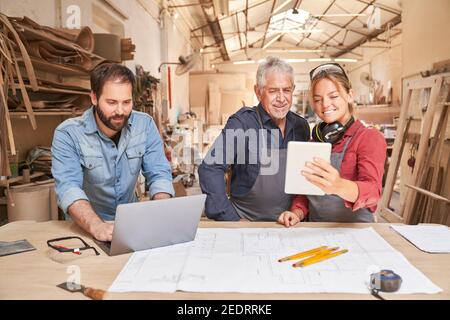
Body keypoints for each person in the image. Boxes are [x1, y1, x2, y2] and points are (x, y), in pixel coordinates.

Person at [51, 63, 174, 241]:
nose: (120, 111)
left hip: (132, 225)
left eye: (126, 102)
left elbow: (159, 174)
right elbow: (68, 188)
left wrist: (162, 210)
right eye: (111, 102)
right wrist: (97, 226)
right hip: (86, 228)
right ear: (94, 97)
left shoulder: (145, 125)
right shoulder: (67, 134)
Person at [198, 57, 310, 221]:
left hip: (290, 222)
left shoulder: (301, 126)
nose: (281, 98)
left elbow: (304, 180)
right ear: (258, 92)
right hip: (246, 222)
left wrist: (299, 213)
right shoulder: (242, 123)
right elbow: (210, 169)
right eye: (273, 91)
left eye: (286, 90)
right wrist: (230, 217)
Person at [278, 63, 386, 226]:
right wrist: (296, 213)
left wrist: (338, 186)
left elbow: (373, 192)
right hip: (316, 230)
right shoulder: (314, 142)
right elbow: (305, 194)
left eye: (333, 96)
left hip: (355, 231)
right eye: (317, 99)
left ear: (350, 95)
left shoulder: (368, 138)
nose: (325, 104)